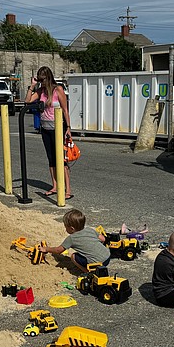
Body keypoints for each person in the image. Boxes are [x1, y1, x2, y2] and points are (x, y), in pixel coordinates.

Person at [25, 67, 73, 199]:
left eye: (43, 80)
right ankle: (55, 185)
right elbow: (27, 101)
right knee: (51, 159)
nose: (42, 83)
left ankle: (67, 189)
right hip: (45, 128)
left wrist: (68, 128)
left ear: (49, 77)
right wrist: (32, 85)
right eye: (40, 80)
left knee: (61, 159)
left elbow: (65, 110)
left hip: (58, 128)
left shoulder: (58, 90)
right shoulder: (41, 91)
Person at [38, 209, 109, 272]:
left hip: (97, 264)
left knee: (73, 256)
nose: (65, 229)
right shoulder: (89, 229)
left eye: (66, 227)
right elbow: (103, 239)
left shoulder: (71, 238)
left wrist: (46, 249)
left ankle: (88, 272)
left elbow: (58, 250)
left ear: (72, 228)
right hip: (107, 257)